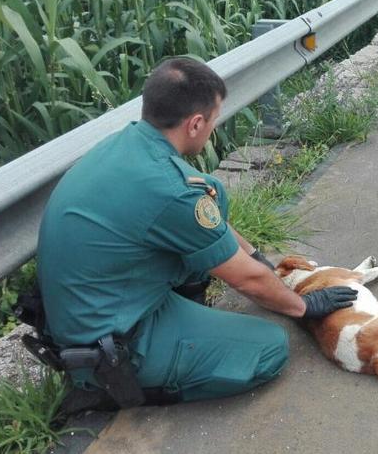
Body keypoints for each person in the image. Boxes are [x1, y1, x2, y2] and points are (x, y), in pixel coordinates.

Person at [35, 57, 357, 409]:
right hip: (110, 343)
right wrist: (302, 306)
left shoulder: (127, 144)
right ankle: (116, 389)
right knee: (269, 348)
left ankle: (179, 326)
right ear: (195, 123)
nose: (212, 130)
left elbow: (205, 217)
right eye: (214, 121)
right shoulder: (169, 190)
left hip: (95, 305)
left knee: (211, 191)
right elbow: (247, 282)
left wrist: (256, 259)